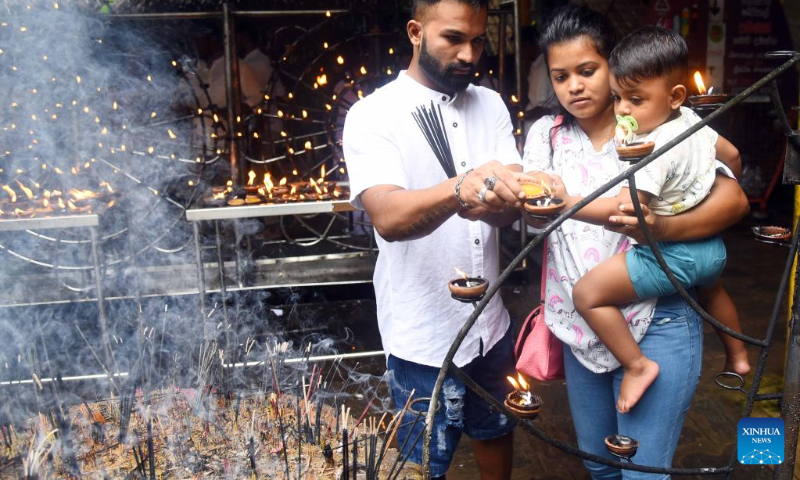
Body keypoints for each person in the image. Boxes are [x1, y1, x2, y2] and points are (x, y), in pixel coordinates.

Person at [521, 5, 749, 478]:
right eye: (561, 76)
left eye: (588, 71)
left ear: (615, 67)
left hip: (657, 316)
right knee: (601, 465)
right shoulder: (546, 136)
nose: (575, 87)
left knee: (642, 472)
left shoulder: (663, 129)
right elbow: (533, 215)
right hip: (580, 323)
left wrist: (661, 228)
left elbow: (733, 199)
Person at [343, 0, 526, 478]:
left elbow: (508, 212)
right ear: (415, 31)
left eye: (479, 41)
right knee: (424, 463)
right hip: (421, 336)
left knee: (496, 431)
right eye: (453, 39)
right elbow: (387, 216)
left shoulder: (490, 104)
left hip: (491, 327)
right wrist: (461, 188)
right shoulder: (373, 114)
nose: (470, 54)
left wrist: (510, 198)